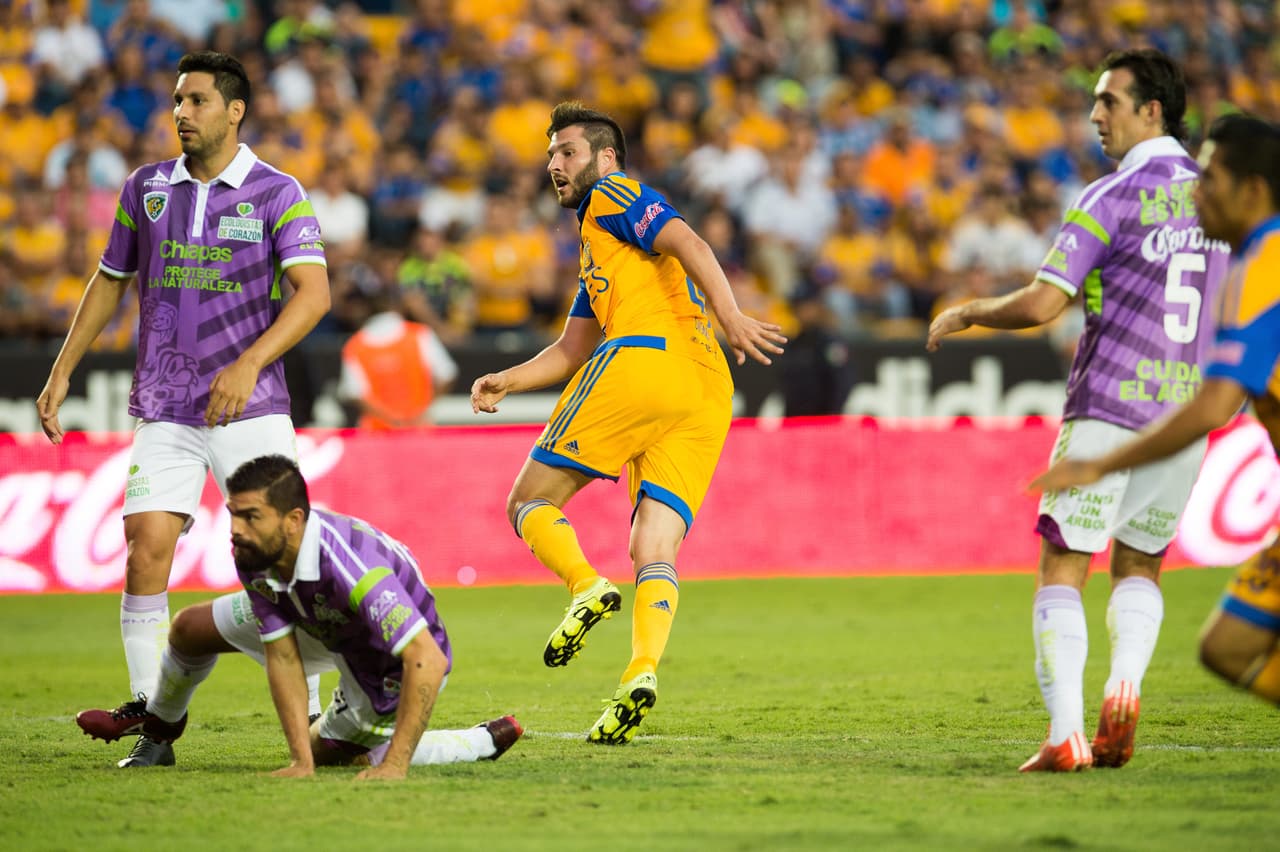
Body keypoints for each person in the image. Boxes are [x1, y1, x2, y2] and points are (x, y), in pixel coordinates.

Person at [926, 49, 1230, 772]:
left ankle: (1066, 732)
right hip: (1186, 415)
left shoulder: (1111, 197)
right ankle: (1123, 692)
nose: (1095, 115)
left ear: (1151, 109)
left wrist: (968, 310)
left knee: (1064, 563)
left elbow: (1041, 303)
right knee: (1142, 564)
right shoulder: (1223, 201)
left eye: (1109, 101)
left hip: (1109, 406)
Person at [35, 51, 332, 768]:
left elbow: (315, 295)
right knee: (145, 547)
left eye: (196, 100)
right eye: (176, 100)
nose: (180, 113)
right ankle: (153, 722)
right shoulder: (146, 189)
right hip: (165, 406)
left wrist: (250, 361)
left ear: (234, 110)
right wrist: (62, 370)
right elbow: (110, 282)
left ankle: (322, 714)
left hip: (251, 408)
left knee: (284, 560)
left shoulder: (276, 191)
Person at [470, 102, 786, 744]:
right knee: (654, 548)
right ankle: (640, 675)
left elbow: (690, 241)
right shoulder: (602, 256)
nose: (553, 165)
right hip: (705, 388)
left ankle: (585, 586)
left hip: (649, 360)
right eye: (550, 155)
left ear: (605, 157)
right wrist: (509, 378)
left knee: (528, 500)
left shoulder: (614, 195)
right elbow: (568, 350)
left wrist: (732, 316)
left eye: (567, 152)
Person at [1029, 114, 1280, 711]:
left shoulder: (1262, 269)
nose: (1196, 190)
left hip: (1115, 406)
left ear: (1252, 191)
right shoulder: (1243, 266)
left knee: (1226, 646)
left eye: (1210, 178)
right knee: (1226, 646)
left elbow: (1214, 406)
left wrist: (1099, 465)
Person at [76, 455, 523, 779]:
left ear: (292, 520)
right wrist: (298, 764)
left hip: (384, 661)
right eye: (234, 515)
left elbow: (428, 659)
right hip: (317, 620)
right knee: (189, 630)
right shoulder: (254, 549)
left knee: (337, 752)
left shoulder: (352, 568)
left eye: (250, 517)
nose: (236, 529)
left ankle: (474, 743)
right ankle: (160, 726)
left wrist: (395, 766)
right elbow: (284, 656)